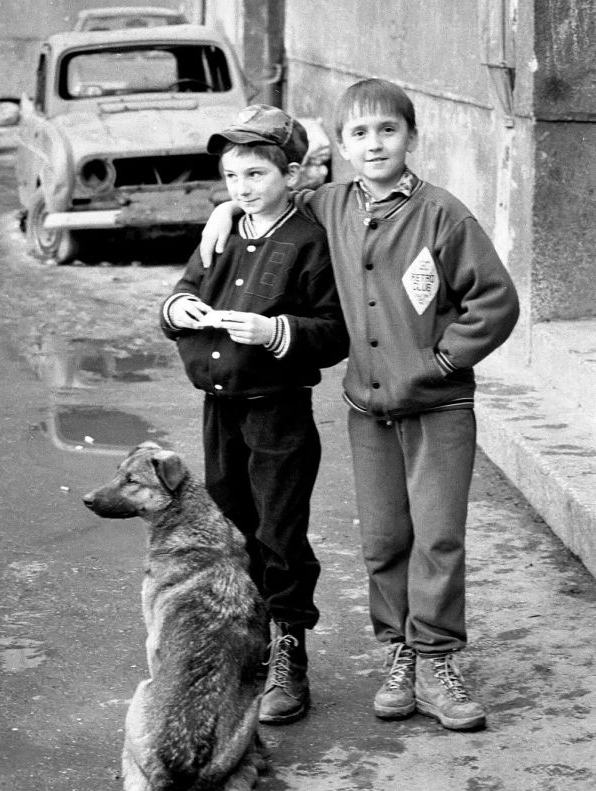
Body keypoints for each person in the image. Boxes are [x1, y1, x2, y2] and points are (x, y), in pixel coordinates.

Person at [199, 79, 520, 731]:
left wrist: (442, 361)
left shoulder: (444, 215)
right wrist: (224, 211)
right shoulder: (329, 205)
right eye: (359, 133)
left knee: (436, 535)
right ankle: (399, 651)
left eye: (387, 131)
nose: (374, 144)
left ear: (411, 137)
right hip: (367, 410)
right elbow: (266, 194)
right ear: (340, 147)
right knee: (382, 539)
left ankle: (435, 659)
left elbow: (496, 300)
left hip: (439, 408)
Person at [160, 104, 349, 726]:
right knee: (234, 527)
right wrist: (180, 310)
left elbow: (334, 332)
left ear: (291, 175)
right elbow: (185, 289)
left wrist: (275, 331)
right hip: (222, 409)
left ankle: (290, 654)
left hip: (278, 412)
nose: (242, 188)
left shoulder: (307, 242)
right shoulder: (222, 233)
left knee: (279, 532)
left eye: (257, 175)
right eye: (232, 177)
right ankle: (250, 644)